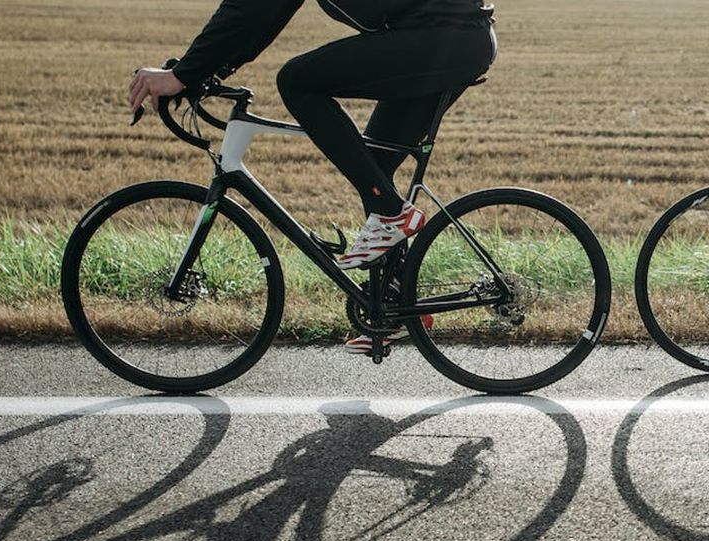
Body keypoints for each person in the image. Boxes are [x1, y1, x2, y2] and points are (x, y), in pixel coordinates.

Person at [128, 0, 496, 353]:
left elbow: (252, 8)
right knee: (373, 166)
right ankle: (397, 307)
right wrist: (200, 72)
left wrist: (184, 75)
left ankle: (391, 213)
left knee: (297, 80)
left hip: (443, 37)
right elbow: (264, 12)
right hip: (448, 36)